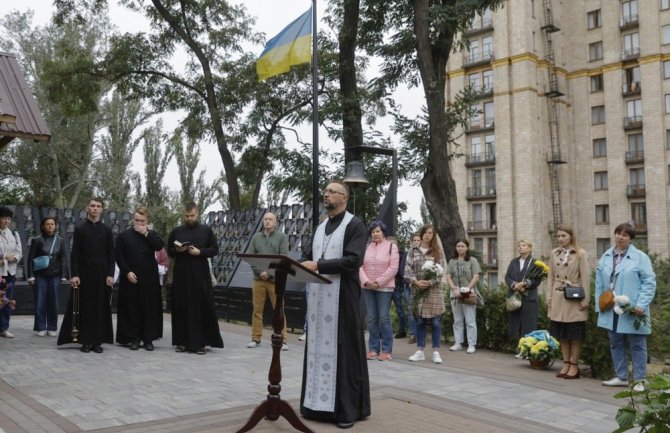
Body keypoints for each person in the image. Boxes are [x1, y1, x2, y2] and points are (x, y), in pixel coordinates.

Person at [300, 181, 370, 430]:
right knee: (317, 349)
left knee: (344, 351)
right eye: (325, 191)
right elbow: (308, 257)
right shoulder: (320, 227)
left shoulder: (355, 225)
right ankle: (314, 405)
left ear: (344, 198)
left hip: (344, 298)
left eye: (331, 192)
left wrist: (318, 266)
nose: (326, 194)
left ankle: (346, 410)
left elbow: (353, 260)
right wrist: (289, 265)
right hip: (319, 300)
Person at [596, 223, 656, 392]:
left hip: (633, 307)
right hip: (610, 307)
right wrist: (599, 305)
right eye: (618, 233)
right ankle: (621, 376)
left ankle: (640, 380)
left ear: (630, 239)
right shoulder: (606, 256)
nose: (620, 237)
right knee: (615, 342)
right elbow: (599, 284)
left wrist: (642, 304)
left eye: (625, 235)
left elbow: (649, 282)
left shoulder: (640, 257)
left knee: (637, 344)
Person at [58, 198, 115, 353]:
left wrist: (110, 274)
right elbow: (75, 253)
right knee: (85, 306)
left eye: (98, 206)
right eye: (92, 206)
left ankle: (98, 341)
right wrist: (75, 274)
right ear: (87, 208)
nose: (95, 209)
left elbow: (111, 255)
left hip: (102, 273)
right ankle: (86, 341)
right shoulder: (80, 229)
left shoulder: (107, 230)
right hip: (84, 273)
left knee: (100, 307)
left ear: (102, 209)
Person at [167, 201, 223, 355]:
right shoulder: (177, 231)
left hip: (200, 274)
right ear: (183, 215)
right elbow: (169, 250)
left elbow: (214, 249)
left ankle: (201, 343)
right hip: (181, 275)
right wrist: (178, 250)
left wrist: (200, 252)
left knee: (201, 307)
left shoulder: (206, 230)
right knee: (181, 306)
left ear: (197, 214)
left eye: (192, 215)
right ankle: (183, 341)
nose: (189, 219)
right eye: (187, 216)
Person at [115, 207, 165, 351]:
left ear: (146, 221)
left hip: (149, 278)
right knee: (132, 308)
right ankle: (134, 338)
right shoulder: (124, 236)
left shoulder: (152, 234)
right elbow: (119, 256)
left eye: (142, 221)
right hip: (131, 277)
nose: (139, 223)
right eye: (137, 220)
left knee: (149, 308)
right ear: (133, 220)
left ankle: (148, 339)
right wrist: (127, 272)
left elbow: (159, 246)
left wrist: (146, 234)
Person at [547, 224, 590, 380]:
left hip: (574, 296)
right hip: (558, 297)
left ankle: (574, 365)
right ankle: (565, 363)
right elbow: (550, 276)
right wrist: (549, 296)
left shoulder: (580, 254)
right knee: (562, 334)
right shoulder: (554, 253)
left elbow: (585, 277)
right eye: (558, 236)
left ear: (571, 236)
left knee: (575, 334)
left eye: (563, 236)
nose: (560, 239)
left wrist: (586, 299)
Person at [246, 212, 289, 351]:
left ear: (275, 222)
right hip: (258, 280)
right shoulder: (256, 237)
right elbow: (251, 257)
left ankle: (283, 339)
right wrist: (260, 272)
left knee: (279, 309)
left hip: (276, 280)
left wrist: (269, 273)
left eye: (270, 219)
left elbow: (283, 257)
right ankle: (255, 338)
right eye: (265, 219)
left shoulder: (282, 237)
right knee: (257, 310)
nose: (267, 221)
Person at [405, 224, 447, 364]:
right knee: (420, 321)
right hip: (417, 290)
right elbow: (407, 270)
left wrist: (429, 282)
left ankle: (436, 351)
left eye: (431, 233)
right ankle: (420, 351)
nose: (428, 235)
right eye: (426, 232)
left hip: (433, 291)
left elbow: (440, 272)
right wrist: (415, 282)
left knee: (435, 322)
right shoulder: (412, 251)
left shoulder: (437, 251)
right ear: (422, 234)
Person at [360, 220, 399, 361]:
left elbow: (393, 268)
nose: (375, 234)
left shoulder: (391, 247)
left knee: (384, 318)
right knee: (371, 318)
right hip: (368, 287)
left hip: (385, 288)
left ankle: (387, 350)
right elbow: (360, 266)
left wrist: (379, 282)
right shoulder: (367, 247)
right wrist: (366, 281)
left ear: (383, 232)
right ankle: (373, 349)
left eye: (377, 231)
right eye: (373, 232)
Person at [27, 217, 69, 337]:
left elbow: (63, 259)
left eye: (52, 224)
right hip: (40, 276)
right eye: (47, 224)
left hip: (55, 276)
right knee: (40, 301)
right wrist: (31, 276)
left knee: (53, 302)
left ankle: (52, 326)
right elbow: (30, 259)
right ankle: (40, 327)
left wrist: (63, 275)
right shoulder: (37, 240)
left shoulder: (60, 240)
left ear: (55, 226)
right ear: (43, 226)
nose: (50, 226)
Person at [446, 238, 481, 354]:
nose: (460, 248)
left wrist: (468, 288)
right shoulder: (452, 261)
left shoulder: (472, 260)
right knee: (457, 319)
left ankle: (471, 344)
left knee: (470, 320)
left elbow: (476, 277)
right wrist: (454, 288)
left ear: (467, 247)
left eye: (462, 246)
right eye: (458, 246)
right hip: (455, 292)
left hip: (468, 292)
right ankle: (458, 343)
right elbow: (448, 277)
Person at [505, 239, 543, 341]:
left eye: (524, 245)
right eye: (519, 245)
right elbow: (507, 277)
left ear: (530, 248)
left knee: (529, 324)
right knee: (515, 323)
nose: (520, 247)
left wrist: (525, 283)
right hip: (515, 297)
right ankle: (516, 346)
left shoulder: (536, 263)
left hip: (529, 298)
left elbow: (537, 279)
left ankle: (527, 349)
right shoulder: (513, 262)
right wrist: (514, 285)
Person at [0, 206, 22, 339]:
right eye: (3, 218)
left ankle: (4, 328)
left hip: (10, 273)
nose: (6, 221)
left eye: (8, 218)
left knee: (6, 301)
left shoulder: (14, 233)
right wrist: (4, 258)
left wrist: (13, 258)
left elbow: (19, 253)